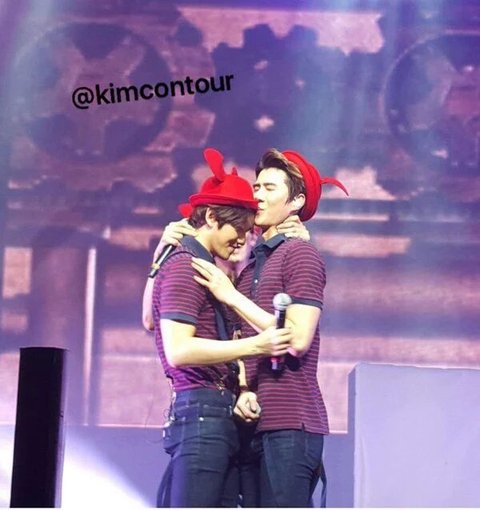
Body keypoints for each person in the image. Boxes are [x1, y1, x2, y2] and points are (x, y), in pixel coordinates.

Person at [191, 148, 349, 507]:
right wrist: (245, 389)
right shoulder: (252, 265)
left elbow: (297, 338)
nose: (258, 195)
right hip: (254, 424)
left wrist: (231, 296)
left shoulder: (301, 254)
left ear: (296, 201)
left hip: (291, 423)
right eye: (256, 186)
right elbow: (247, 340)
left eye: (269, 188)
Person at [151, 148, 294, 507]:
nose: (243, 240)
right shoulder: (186, 267)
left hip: (217, 413)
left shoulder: (206, 268)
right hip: (201, 415)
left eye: (249, 232)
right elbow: (179, 350)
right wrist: (257, 346)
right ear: (212, 217)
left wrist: (241, 387)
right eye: (239, 230)